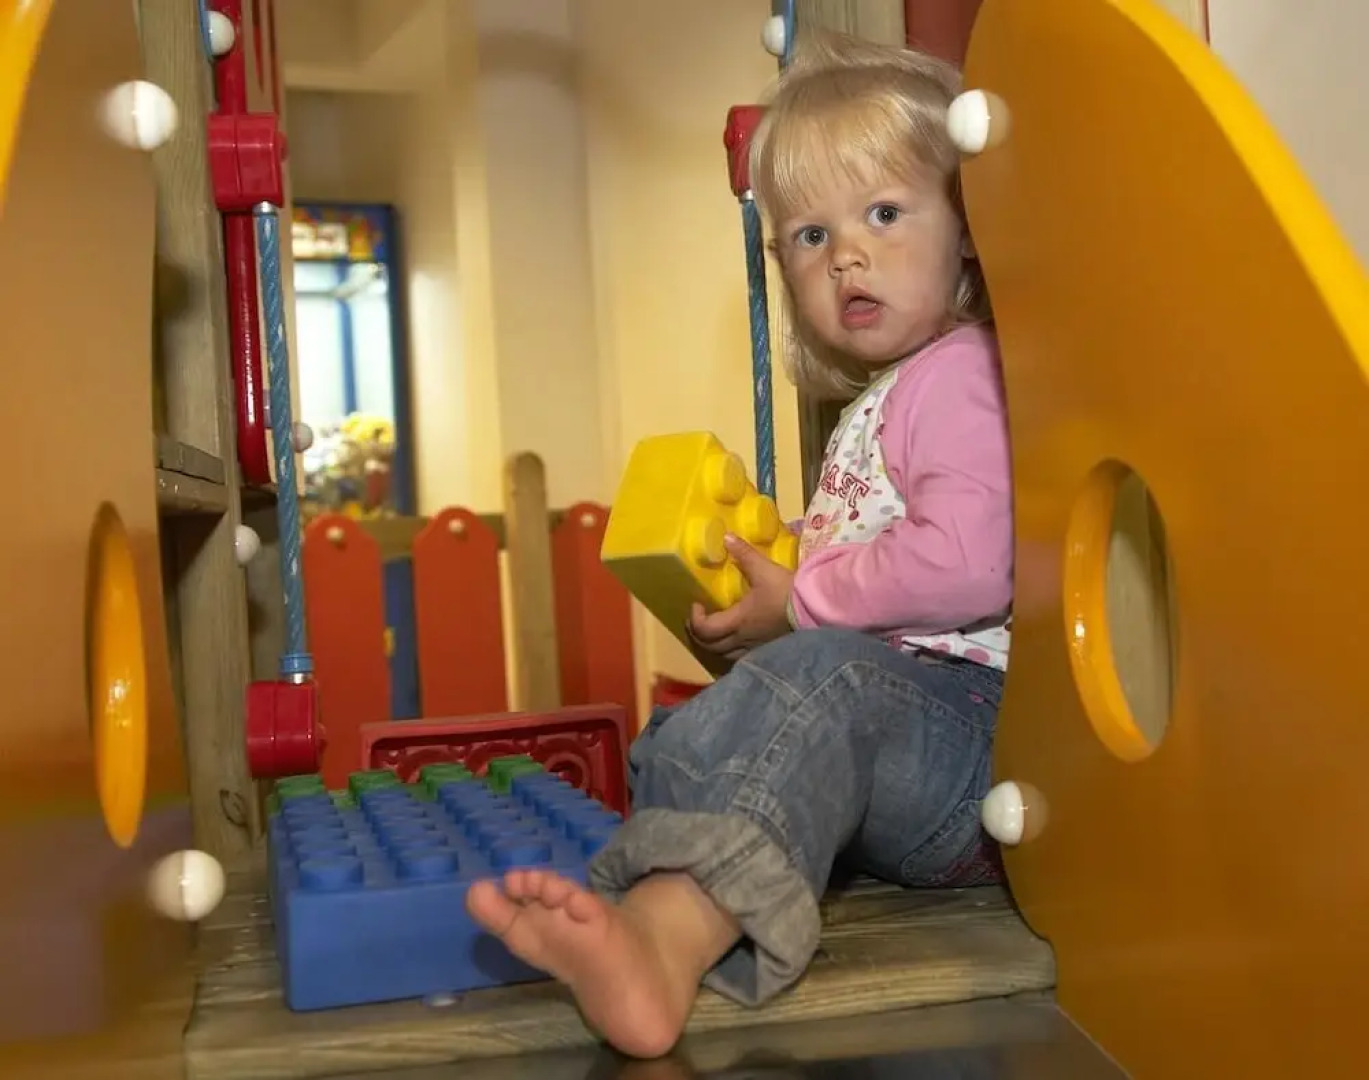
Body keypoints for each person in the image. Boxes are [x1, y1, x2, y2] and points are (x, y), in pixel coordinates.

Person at [467, 29, 1013, 1059]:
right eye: (808, 236)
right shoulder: (890, 396)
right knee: (759, 698)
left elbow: (969, 564)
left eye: (884, 213)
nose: (846, 251)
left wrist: (802, 600)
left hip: (973, 748)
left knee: (820, 683)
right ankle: (657, 916)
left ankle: (661, 947)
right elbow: (875, 562)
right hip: (901, 755)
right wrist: (770, 593)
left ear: (970, 229)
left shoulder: (963, 377)